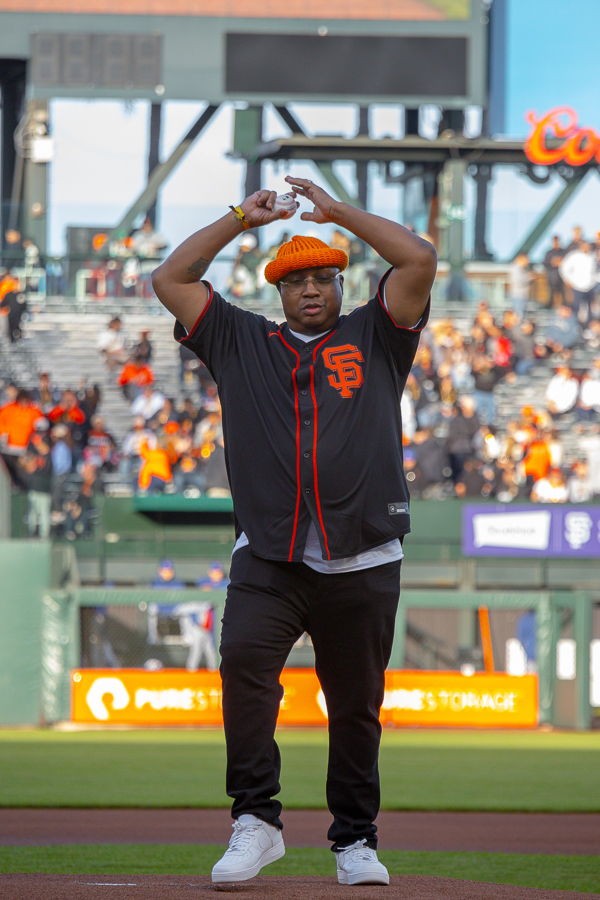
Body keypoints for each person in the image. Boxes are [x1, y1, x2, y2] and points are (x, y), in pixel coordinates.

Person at [151, 175, 436, 885]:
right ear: (277, 293)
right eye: (295, 282)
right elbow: (170, 277)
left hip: (364, 555)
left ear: (341, 283)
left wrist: (338, 213)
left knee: (357, 709)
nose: (309, 289)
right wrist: (238, 220)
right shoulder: (239, 338)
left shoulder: (377, 334)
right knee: (246, 676)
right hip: (268, 557)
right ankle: (256, 822)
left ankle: (355, 843)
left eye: (322, 278)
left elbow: (420, 261)